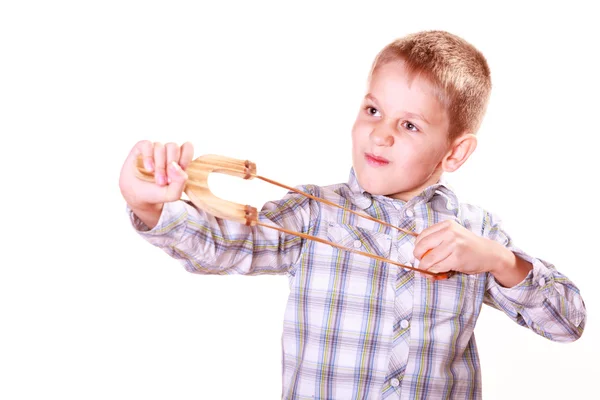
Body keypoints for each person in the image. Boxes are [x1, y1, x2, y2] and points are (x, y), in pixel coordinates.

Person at [118, 30, 586, 399]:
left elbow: (567, 324)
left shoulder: (477, 234)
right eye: (373, 110)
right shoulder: (313, 213)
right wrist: (150, 205)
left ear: (456, 151)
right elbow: (227, 246)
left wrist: (500, 261)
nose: (380, 134)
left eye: (408, 124)